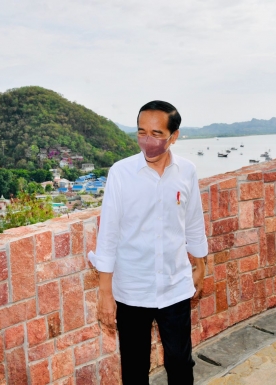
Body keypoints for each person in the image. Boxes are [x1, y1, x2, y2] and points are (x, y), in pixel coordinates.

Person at [88, 101, 208, 385]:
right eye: (142, 132)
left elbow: (193, 222)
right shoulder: (121, 173)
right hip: (132, 289)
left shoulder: (187, 171)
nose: (147, 141)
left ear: (173, 136)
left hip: (175, 285)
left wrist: (201, 264)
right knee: (134, 367)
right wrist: (106, 293)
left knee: (180, 362)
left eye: (156, 134)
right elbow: (109, 235)